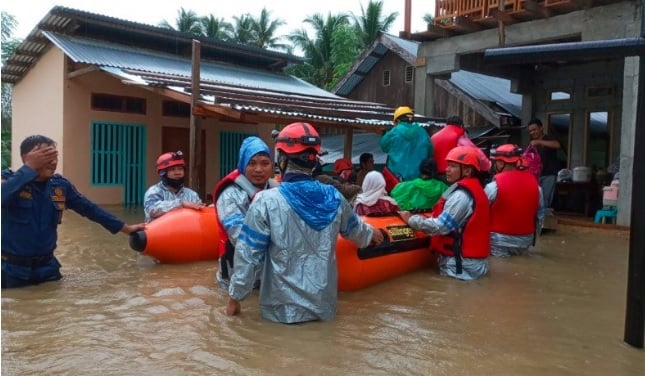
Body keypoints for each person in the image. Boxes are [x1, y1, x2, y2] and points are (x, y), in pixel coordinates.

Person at [225, 122, 384, 323]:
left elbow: (248, 255)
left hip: (280, 313)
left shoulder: (265, 201)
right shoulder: (335, 198)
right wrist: (373, 234)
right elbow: (357, 231)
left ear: (281, 159)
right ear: (314, 160)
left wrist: (235, 298)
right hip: (324, 310)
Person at [1, 135, 145, 288]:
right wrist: (29, 168)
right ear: (26, 158)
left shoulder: (60, 186)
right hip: (12, 270)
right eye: (45, 156)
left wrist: (126, 228)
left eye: (55, 156)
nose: (53, 161)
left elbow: (90, 209)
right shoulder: (9, 180)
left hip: (48, 269)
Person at [398, 146, 490, 281]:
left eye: (452, 166)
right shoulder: (476, 190)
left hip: (460, 266)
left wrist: (411, 219)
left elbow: (441, 226)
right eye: (448, 165)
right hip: (472, 264)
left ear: (467, 170)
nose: (447, 169)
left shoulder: (461, 196)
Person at [213, 136, 278, 289]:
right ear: (243, 165)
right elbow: (240, 238)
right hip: (236, 276)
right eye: (252, 163)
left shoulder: (276, 189)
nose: (259, 169)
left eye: (265, 163)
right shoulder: (230, 195)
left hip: (269, 277)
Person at [485, 144, 544, 257]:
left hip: (497, 242)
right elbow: (539, 217)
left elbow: (479, 212)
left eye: (496, 162)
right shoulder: (537, 187)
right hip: (525, 241)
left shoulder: (493, 187)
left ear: (501, 163)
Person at [143, 151, 203, 223]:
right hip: (159, 233)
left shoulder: (192, 195)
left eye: (180, 169)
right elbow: (152, 210)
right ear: (163, 173)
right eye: (172, 170)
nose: (177, 173)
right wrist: (181, 203)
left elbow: (199, 216)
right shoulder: (153, 192)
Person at [379, 106, 433, 182]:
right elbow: (430, 151)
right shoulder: (423, 132)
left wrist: (385, 134)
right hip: (418, 181)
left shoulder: (394, 132)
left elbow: (383, 146)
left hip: (397, 181)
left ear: (397, 121)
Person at [431, 115, 491, 182]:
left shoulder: (434, 137)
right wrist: (487, 166)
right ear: (461, 125)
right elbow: (476, 153)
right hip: (454, 176)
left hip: (436, 176)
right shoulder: (459, 137)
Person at [527, 118, 561, 208]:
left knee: (545, 199)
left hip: (549, 174)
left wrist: (539, 142)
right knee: (535, 198)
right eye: (530, 131)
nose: (532, 132)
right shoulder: (532, 143)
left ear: (541, 128)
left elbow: (557, 145)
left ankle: (543, 220)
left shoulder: (547, 138)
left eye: (534, 129)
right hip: (536, 175)